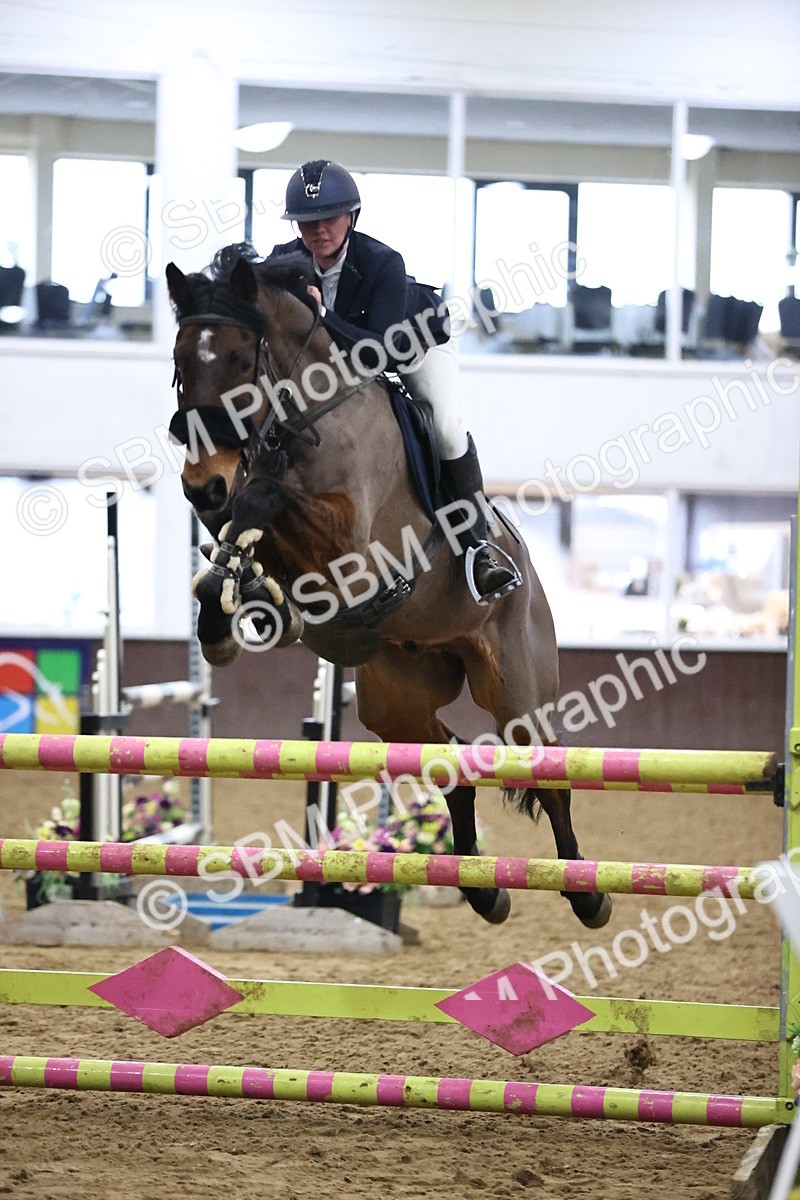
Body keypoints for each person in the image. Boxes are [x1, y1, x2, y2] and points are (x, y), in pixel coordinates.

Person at [270, 159, 521, 606]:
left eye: (329, 218)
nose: (319, 230)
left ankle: (479, 547)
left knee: (445, 427)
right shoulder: (282, 262)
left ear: (352, 217)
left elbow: (378, 355)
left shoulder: (383, 261)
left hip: (412, 344)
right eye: (307, 221)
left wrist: (321, 315)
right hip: (337, 358)